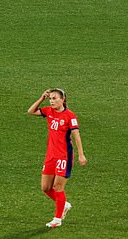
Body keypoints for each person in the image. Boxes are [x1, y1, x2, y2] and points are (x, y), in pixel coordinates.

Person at [28, 88, 87, 228]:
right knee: (45, 187)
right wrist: (41, 98)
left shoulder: (70, 116)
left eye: (55, 98)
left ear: (63, 99)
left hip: (64, 156)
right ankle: (64, 204)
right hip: (50, 155)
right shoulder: (49, 111)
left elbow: (76, 135)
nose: (52, 101)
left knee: (58, 186)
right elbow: (31, 111)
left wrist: (81, 154)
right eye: (50, 98)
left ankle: (57, 219)